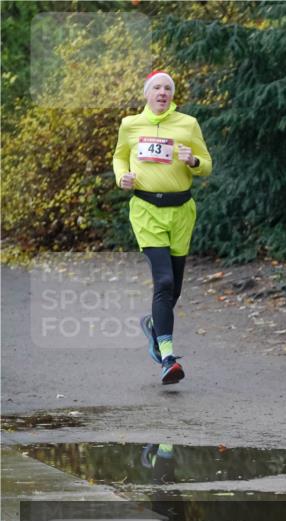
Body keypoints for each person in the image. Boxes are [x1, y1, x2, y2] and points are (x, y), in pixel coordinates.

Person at [113, 70, 212, 385]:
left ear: (172, 94)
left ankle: (156, 328)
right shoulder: (130, 125)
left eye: (168, 88)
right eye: (156, 87)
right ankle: (167, 357)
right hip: (145, 210)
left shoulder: (188, 124)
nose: (162, 92)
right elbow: (119, 157)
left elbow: (207, 164)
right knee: (164, 281)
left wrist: (193, 161)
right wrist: (122, 177)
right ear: (147, 93)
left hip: (181, 211)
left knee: (174, 289)